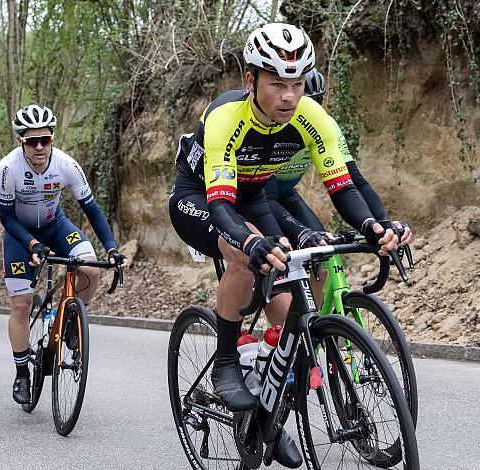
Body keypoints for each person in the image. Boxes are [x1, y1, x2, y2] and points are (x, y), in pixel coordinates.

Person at [168, 23, 398, 468]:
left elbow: (345, 186)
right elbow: (220, 207)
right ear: (251, 79)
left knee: (293, 300)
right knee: (242, 256)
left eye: (296, 84)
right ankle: (226, 362)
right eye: (277, 85)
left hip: (253, 194)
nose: (289, 97)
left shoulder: (312, 117)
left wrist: (373, 226)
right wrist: (252, 241)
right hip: (198, 198)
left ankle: (264, 409)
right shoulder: (224, 118)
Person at [0, 104, 129, 405]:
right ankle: (21, 373)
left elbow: (92, 210)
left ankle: (70, 320)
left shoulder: (67, 165)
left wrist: (111, 247)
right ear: (21, 141)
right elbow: (6, 218)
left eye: (45, 139)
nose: (40, 146)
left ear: (53, 138)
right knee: (21, 303)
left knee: (90, 270)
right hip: (21, 233)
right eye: (32, 141)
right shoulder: (8, 168)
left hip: (56, 225)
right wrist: (31, 244)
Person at [264, 68, 412, 293]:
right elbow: (267, 197)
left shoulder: (325, 125)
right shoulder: (270, 124)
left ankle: (309, 326)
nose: (305, 114)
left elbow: (355, 182)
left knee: (322, 257)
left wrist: (383, 224)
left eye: (315, 104)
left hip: (285, 194)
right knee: (275, 265)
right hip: (259, 196)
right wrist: (301, 233)